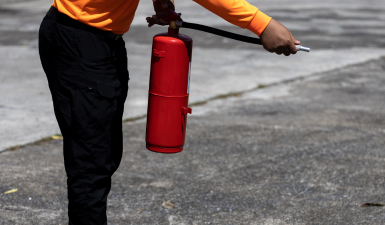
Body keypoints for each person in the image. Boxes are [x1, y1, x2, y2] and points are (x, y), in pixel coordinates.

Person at [38, 0, 300, 224]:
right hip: (78, 41)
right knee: (90, 166)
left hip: (100, 42)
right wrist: (262, 24)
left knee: (103, 159)